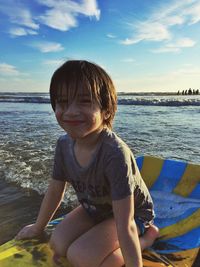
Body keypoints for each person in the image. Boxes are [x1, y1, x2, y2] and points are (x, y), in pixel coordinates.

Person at [16, 60, 159, 267]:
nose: (71, 111)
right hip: (96, 208)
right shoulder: (63, 145)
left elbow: (125, 223)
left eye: (84, 101)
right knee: (58, 243)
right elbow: (56, 190)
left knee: (81, 257)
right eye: (63, 102)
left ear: (106, 110)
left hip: (133, 215)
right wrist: (38, 227)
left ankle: (147, 238)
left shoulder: (114, 153)